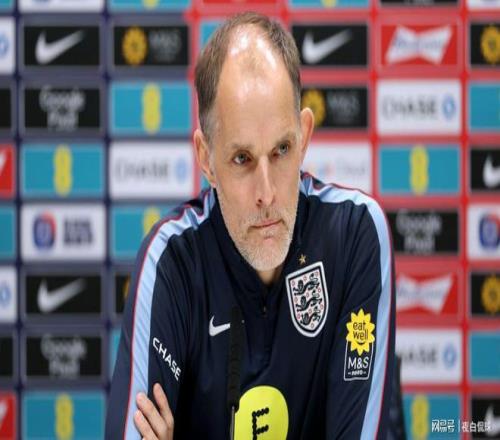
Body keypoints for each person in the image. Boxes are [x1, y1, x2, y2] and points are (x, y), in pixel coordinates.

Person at [106, 12, 395, 439]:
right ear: (206, 158)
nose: (267, 193)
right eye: (242, 159)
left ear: (304, 136)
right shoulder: (171, 263)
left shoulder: (354, 235)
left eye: (281, 150)